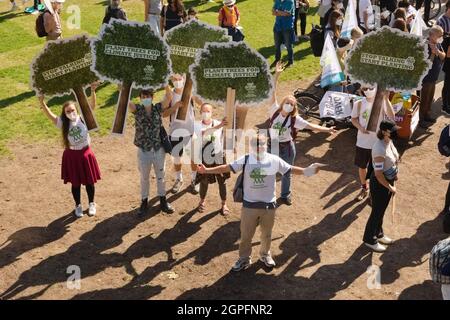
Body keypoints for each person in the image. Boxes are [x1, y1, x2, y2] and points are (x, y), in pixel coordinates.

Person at [197, 134, 323, 271]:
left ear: (266, 145)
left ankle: (265, 255)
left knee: (266, 234)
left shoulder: (274, 160)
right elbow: (226, 167)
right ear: (251, 147)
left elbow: (290, 169)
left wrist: (306, 171)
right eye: (256, 145)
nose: (259, 147)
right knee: (245, 236)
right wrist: (207, 170)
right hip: (249, 206)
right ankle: (244, 259)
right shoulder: (245, 159)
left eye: (262, 144)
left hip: (268, 206)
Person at [269, 63, 336, 205]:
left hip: (287, 147)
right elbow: (272, 91)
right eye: (287, 102)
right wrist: (277, 75)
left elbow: (311, 126)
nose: (289, 105)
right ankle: (268, 195)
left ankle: (285, 195)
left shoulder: (295, 119)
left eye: (292, 104)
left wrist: (327, 130)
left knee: (287, 172)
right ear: (282, 103)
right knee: (269, 171)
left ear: (294, 107)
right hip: (273, 145)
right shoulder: (274, 110)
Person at [37, 83, 101, 218]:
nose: (71, 113)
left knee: (90, 181)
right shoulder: (63, 123)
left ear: (76, 110)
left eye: (72, 110)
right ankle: (78, 206)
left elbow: (92, 106)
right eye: (68, 111)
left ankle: (91, 204)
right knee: (75, 183)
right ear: (64, 114)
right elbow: (50, 116)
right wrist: (42, 102)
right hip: (72, 156)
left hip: (85, 153)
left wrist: (93, 91)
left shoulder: (82, 118)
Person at [128, 88, 174, 215]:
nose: (146, 98)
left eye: (148, 96)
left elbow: (169, 97)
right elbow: (127, 101)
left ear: (152, 97)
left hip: (159, 149)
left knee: (161, 176)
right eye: (143, 96)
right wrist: (123, 87)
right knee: (144, 177)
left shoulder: (157, 108)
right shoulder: (137, 110)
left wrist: (165, 81)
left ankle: (163, 201)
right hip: (144, 151)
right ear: (140, 98)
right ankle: (144, 202)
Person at [351, 87, 395, 202]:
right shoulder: (359, 103)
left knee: (377, 170)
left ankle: (373, 193)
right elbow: (353, 119)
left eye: (371, 87)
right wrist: (360, 127)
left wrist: (386, 98)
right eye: (365, 88)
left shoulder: (382, 102)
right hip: (362, 142)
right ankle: (364, 188)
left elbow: (392, 117)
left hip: (378, 144)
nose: (368, 90)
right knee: (362, 167)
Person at [363, 119, 400, 252]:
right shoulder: (379, 149)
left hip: (388, 181)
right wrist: (390, 188)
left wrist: (395, 174)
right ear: (384, 132)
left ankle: (378, 234)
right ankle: (369, 239)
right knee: (377, 212)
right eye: (393, 131)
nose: (396, 132)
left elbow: (394, 160)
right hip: (380, 184)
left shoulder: (389, 142)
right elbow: (378, 174)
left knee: (381, 211)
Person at [163, 74, 201, 194]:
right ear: (172, 80)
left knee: (194, 157)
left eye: (180, 79)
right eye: (175, 79)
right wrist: (174, 107)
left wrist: (194, 94)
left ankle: (195, 179)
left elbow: (201, 103)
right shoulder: (169, 95)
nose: (178, 81)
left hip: (190, 130)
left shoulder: (190, 91)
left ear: (184, 79)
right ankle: (179, 179)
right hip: (175, 131)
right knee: (177, 158)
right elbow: (163, 114)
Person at [195, 103, 231, 215]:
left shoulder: (219, 123)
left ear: (212, 113)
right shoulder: (197, 125)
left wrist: (228, 119)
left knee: (222, 181)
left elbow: (227, 132)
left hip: (218, 156)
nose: (206, 114)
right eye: (204, 111)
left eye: (208, 111)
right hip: (204, 157)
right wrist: (219, 125)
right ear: (200, 112)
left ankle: (224, 204)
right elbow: (204, 133)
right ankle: (202, 201)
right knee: (204, 181)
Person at [419, 26, 446, 128]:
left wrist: (437, 52)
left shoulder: (438, 44)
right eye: (439, 35)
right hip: (426, 78)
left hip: (434, 78)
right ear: (431, 35)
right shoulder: (424, 45)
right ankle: (421, 119)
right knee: (424, 98)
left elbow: (443, 56)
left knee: (430, 98)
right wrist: (432, 54)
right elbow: (425, 64)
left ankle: (427, 115)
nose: (441, 37)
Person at [272, 0, 295, 69]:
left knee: (288, 45)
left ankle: (290, 61)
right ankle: (277, 59)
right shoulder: (277, 1)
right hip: (277, 26)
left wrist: (277, 11)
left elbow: (286, 14)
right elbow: (273, 12)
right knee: (277, 45)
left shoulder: (290, 1)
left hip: (287, 27)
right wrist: (281, 12)